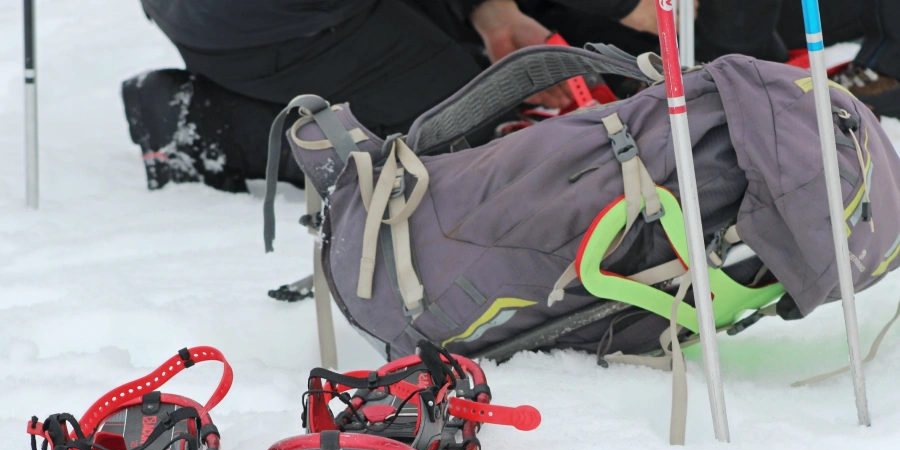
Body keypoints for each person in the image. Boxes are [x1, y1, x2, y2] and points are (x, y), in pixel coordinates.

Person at [124, 0, 900, 193]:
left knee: (554, 44)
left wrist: (491, 6)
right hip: (267, 17)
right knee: (453, 136)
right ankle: (204, 123)